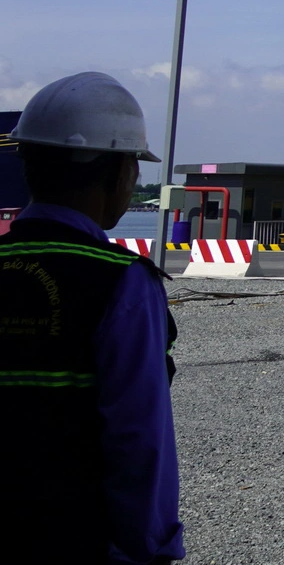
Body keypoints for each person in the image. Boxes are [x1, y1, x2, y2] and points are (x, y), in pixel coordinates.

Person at [0, 72, 184, 563]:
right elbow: (139, 439)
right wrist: (151, 548)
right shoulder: (120, 281)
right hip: (71, 536)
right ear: (119, 172)